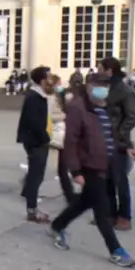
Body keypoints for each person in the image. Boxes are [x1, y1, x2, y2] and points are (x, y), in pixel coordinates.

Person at [48, 73, 135, 268]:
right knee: (102, 209)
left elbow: (108, 136)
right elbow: (71, 142)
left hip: (106, 165)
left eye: (105, 85)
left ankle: (57, 225)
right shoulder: (77, 108)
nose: (103, 88)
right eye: (98, 84)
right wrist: (76, 171)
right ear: (89, 86)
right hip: (89, 166)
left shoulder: (104, 108)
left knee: (84, 202)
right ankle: (116, 250)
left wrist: (125, 147)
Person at [96, 57, 135, 231]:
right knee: (106, 180)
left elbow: (133, 116)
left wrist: (120, 134)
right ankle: (110, 214)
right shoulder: (106, 88)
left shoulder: (125, 91)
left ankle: (124, 217)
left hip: (118, 142)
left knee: (120, 180)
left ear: (109, 71)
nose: (97, 71)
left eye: (100, 69)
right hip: (103, 140)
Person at [16, 66, 52, 223]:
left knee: (36, 174)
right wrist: (45, 138)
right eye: (49, 77)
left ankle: (30, 199)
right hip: (36, 141)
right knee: (36, 176)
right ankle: (32, 210)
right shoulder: (34, 97)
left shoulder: (41, 95)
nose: (52, 80)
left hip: (37, 140)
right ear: (43, 80)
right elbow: (34, 122)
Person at [48, 75, 75, 204]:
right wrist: (65, 115)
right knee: (61, 166)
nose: (60, 86)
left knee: (62, 166)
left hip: (63, 133)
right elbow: (49, 115)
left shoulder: (61, 96)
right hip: (56, 133)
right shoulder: (50, 98)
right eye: (58, 84)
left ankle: (70, 194)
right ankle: (70, 195)